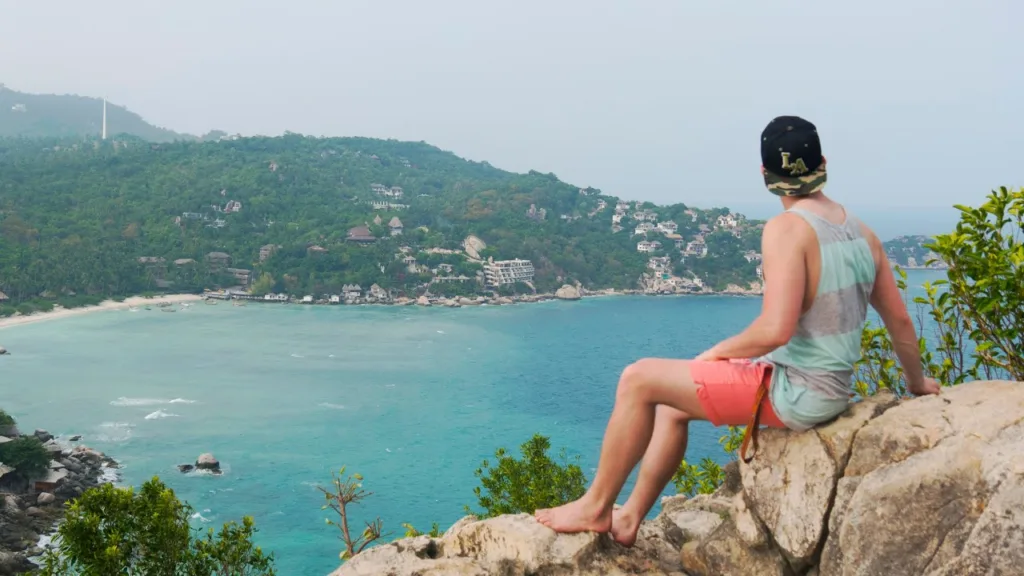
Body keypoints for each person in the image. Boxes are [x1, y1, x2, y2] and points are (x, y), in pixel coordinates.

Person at [534, 115, 941, 544]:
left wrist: (718, 352)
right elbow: (899, 319)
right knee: (672, 406)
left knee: (638, 379)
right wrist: (917, 382)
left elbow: (776, 329)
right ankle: (630, 517)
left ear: (765, 174)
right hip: (832, 389)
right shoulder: (862, 233)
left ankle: (596, 507)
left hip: (799, 393)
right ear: (822, 162)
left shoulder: (787, 229)